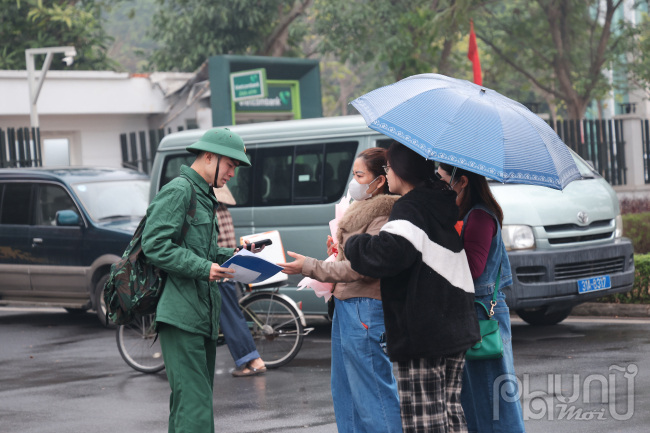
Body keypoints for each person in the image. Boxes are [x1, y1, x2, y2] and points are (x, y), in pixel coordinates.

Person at [344, 142, 481, 433]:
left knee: (425, 422)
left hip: (424, 332)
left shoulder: (410, 208)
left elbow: (388, 255)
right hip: (455, 326)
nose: (387, 173)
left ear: (403, 171)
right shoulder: (440, 204)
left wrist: (352, 242)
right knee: (450, 413)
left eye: (389, 167)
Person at [142, 128, 262, 433]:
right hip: (181, 316)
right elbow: (154, 244)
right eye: (231, 164)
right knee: (195, 409)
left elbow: (202, 251)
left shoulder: (202, 194)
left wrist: (234, 254)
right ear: (209, 157)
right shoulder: (180, 190)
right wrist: (203, 267)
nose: (233, 173)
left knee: (190, 406)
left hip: (200, 315)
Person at [278, 147, 403, 433]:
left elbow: (363, 269)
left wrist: (311, 266)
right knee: (346, 390)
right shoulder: (360, 209)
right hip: (347, 303)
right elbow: (353, 260)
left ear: (379, 180)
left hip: (365, 307)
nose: (354, 182)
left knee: (372, 392)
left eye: (360, 175)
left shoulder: (384, 214)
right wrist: (338, 251)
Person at [438, 163, 526, 433]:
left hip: (481, 315)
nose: (441, 185)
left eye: (443, 179)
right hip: (481, 313)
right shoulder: (474, 214)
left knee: (492, 401)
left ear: (462, 181)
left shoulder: (478, 217)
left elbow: (473, 268)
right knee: (481, 401)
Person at [214, 198, 266, 377]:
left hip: (219, 273)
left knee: (230, 318)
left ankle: (251, 360)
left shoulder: (213, 212)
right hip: (230, 268)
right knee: (233, 315)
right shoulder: (225, 210)